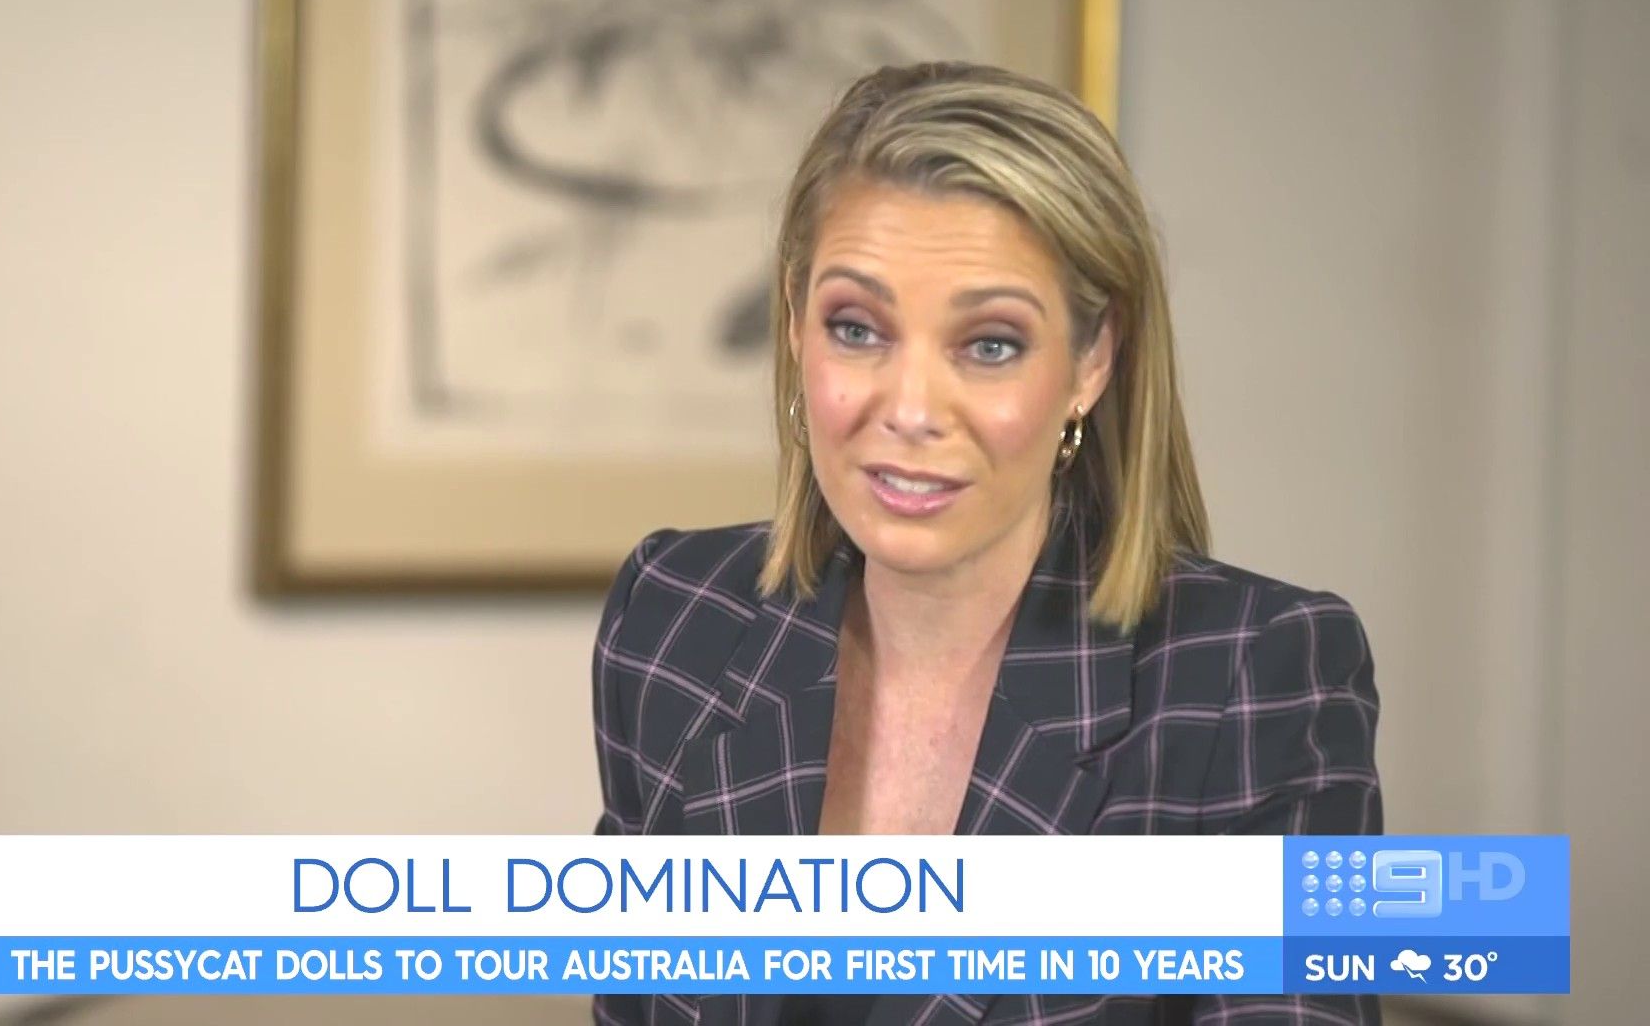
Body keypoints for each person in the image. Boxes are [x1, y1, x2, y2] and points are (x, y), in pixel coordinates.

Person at [589, 62, 1382, 1025]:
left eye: (990, 344)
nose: (912, 409)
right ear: (795, 324)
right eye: (857, 328)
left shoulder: (1252, 677)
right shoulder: (674, 620)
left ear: (1092, 359)